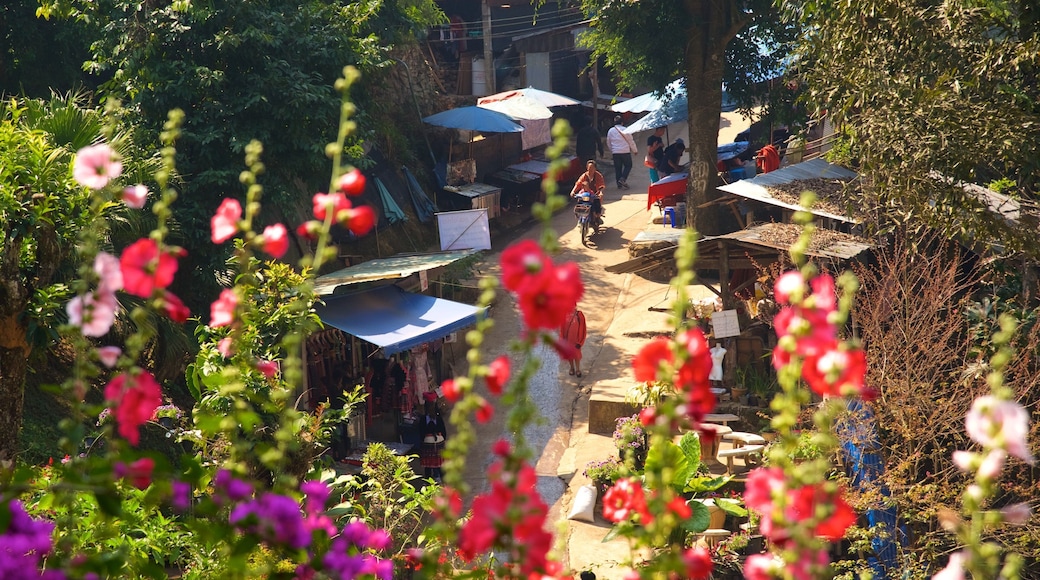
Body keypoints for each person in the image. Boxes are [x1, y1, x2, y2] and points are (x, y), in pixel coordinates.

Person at [419, 393, 447, 482]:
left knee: (427, 465)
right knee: (440, 464)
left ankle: (428, 480)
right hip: (439, 442)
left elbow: (421, 432)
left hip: (427, 443)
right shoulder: (438, 418)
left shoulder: (423, 418)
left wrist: (424, 440)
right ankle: (442, 479)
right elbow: (444, 431)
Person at [606, 115, 638, 189]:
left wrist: (612, 150)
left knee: (618, 168)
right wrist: (635, 150)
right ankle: (623, 178)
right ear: (622, 122)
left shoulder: (610, 131)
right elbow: (630, 141)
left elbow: (608, 142)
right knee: (628, 165)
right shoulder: (626, 130)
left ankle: (619, 184)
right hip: (625, 151)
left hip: (615, 152)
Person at [559, 307, 587, 377]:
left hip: (576, 340)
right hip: (567, 340)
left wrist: (580, 342)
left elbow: (583, 329)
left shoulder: (579, 315)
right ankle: (572, 368)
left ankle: (578, 369)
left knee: (577, 355)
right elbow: (562, 329)